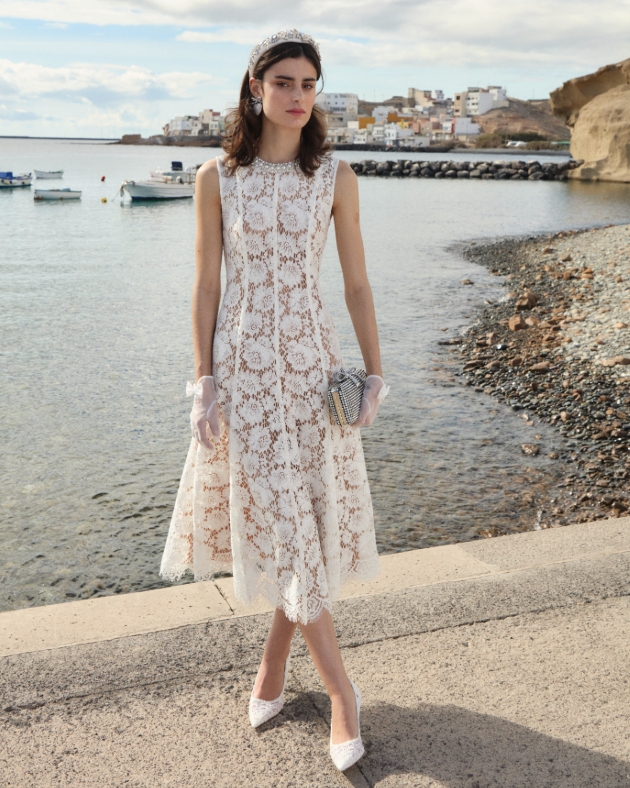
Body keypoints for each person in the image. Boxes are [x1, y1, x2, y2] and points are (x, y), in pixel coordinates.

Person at [160, 29, 388, 772]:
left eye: (309, 83)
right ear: (255, 86)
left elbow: (355, 283)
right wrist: (203, 380)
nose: (298, 95)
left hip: (314, 372)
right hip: (247, 376)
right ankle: (342, 692)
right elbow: (205, 287)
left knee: (305, 524)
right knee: (288, 528)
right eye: (284, 81)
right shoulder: (214, 178)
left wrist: (374, 372)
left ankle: (273, 671)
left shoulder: (335, 177)